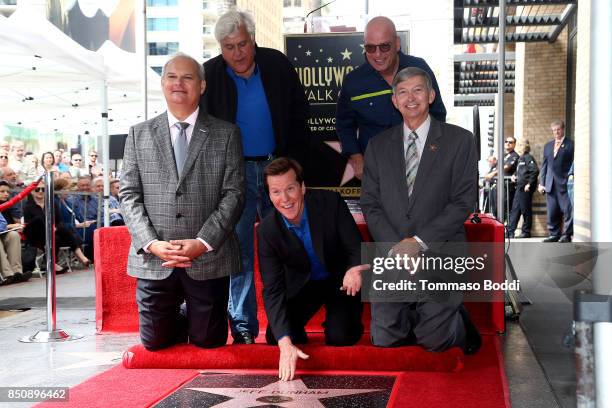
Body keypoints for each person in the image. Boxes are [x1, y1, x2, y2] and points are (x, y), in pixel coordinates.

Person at [120, 52, 244, 351]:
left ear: (201, 86)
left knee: (208, 341)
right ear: (163, 84)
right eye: (172, 77)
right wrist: (151, 243)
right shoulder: (139, 134)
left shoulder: (226, 134)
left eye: (187, 77)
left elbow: (234, 194)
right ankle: (180, 315)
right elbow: (128, 194)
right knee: (155, 343)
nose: (179, 83)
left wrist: (202, 242)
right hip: (155, 257)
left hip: (206, 257)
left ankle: (200, 316)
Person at [201, 10, 309, 345]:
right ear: (220, 47)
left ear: (253, 38)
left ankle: (288, 322)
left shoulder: (276, 64)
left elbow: (300, 113)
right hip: (235, 175)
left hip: (277, 169)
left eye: (243, 44)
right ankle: (244, 326)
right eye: (229, 46)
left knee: (288, 246)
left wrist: (292, 163)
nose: (238, 53)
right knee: (241, 251)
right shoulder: (210, 74)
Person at [360, 67, 480, 354]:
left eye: (417, 90)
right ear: (394, 100)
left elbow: (463, 202)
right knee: (385, 340)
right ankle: (417, 314)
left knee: (435, 341)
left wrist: (418, 243)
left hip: (440, 251)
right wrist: (397, 248)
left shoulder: (460, 141)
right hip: (392, 254)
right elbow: (370, 203)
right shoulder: (377, 146)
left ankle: (456, 321)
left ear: (431, 95)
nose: (410, 98)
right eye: (402, 92)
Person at [258, 158, 367, 381]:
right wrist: (285, 342)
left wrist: (355, 268)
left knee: (340, 337)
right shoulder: (267, 230)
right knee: (276, 335)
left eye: (290, 189)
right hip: (303, 287)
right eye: (276, 192)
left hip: (340, 280)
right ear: (269, 195)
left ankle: (339, 319)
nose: (285, 199)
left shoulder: (330, 202)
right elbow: (272, 289)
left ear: (302, 187)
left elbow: (356, 246)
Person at [336, 16, 446, 180]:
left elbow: (438, 114)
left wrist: (432, 153)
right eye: (370, 48)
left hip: (421, 168)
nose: (378, 54)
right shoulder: (354, 82)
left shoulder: (419, 69)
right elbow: (344, 125)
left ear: (397, 43)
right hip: (376, 173)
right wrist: (357, 158)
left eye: (385, 46)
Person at [23, 182, 90, 271]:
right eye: (37, 189)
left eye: (43, 189)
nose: (40, 191)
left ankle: (77, 256)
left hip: (53, 232)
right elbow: (29, 224)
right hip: (37, 235)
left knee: (63, 229)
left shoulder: (52, 203)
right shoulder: (27, 207)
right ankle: (77, 257)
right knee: (40, 221)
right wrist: (49, 228)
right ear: (32, 192)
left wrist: (55, 228)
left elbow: (59, 220)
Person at [538, 120, 574, 242]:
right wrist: (541, 183)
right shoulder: (548, 146)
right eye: (554, 130)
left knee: (567, 210)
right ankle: (554, 234)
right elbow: (544, 166)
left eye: (558, 129)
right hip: (550, 184)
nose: (556, 132)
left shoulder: (571, 144)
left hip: (565, 183)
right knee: (552, 210)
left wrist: (571, 176)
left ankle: (566, 235)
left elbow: (574, 164)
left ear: (563, 129)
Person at [506, 140, 539, 238]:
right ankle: (510, 232)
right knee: (515, 210)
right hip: (519, 188)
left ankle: (526, 232)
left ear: (525, 146)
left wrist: (529, 184)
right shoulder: (520, 158)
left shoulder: (528, 157)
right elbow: (519, 172)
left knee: (526, 210)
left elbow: (535, 171)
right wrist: (514, 176)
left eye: (520, 145)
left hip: (525, 189)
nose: (518, 147)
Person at [483, 136, 519, 220]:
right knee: (494, 210)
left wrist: (493, 173)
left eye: (510, 142)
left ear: (514, 144)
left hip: (506, 187)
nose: (508, 143)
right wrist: (488, 173)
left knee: (503, 210)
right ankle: (498, 230)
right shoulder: (503, 155)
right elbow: (496, 167)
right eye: (506, 141)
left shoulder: (514, 156)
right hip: (496, 187)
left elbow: (506, 167)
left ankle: (504, 230)